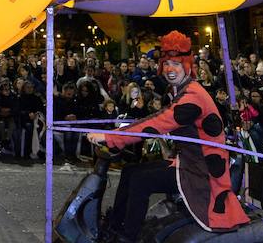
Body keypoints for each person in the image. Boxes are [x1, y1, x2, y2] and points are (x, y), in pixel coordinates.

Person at [88, 31, 249, 242]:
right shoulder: (180, 91)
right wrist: (114, 134)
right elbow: (154, 118)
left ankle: (127, 237)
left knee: (140, 180)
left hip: (202, 173)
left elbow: (158, 123)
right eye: (167, 64)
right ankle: (115, 227)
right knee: (130, 171)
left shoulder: (193, 96)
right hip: (188, 163)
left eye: (177, 64)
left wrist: (111, 138)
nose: (170, 69)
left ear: (188, 65)